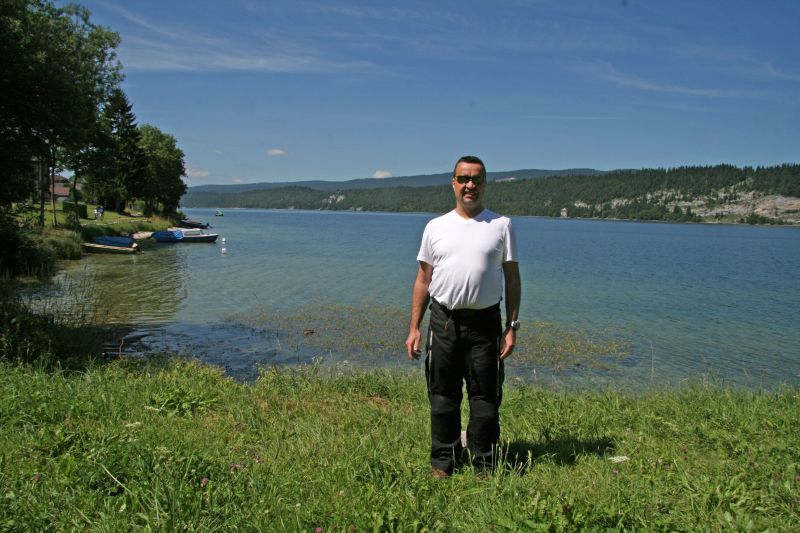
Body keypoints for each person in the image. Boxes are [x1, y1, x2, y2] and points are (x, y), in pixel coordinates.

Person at [406, 155, 521, 477]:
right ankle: (443, 462)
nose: (470, 185)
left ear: (485, 183)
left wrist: (511, 326)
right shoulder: (435, 227)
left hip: (485, 324)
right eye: (464, 178)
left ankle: (484, 463)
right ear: (453, 183)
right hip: (442, 321)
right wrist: (414, 327)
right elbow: (423, 280)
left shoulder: (501, 225)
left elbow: (512, 278)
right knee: (443, 396)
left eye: (477, 179)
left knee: (485, 399)